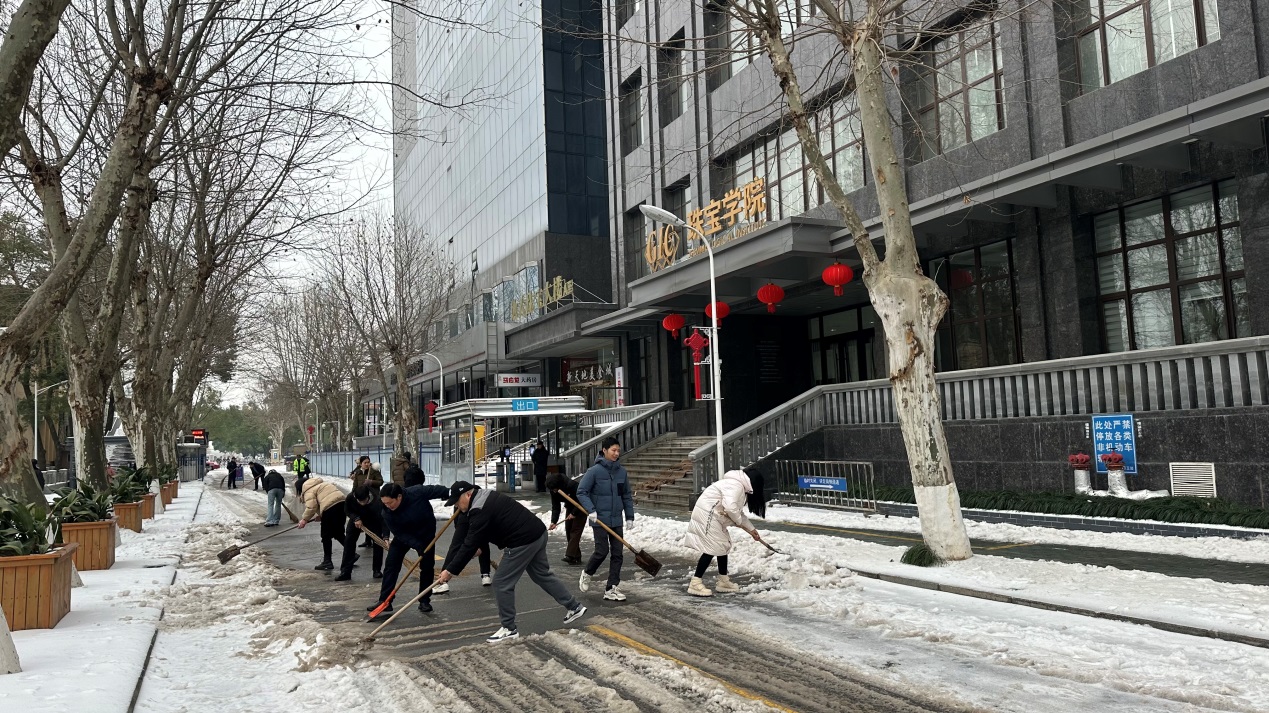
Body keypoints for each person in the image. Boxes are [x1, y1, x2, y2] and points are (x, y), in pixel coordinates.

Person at [437, 481, 586, 643]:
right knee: (542, 575)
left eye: (457, 501)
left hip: (522, 541)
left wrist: (450, 571)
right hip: (537, 532)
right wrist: (472, 550)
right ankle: (574, 606)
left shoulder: (478, 509)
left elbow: (469, 543)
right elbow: (475, 534)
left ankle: (509, 628)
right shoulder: (483, 497)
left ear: (468, 494)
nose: (457, 506)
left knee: (502, 582)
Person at [370, 481, 451, 616]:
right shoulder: (386, 510)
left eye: (390, 503)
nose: (388, 506)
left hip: (426, 535)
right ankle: (385, 601)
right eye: (385, 503)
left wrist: (452, 493)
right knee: (391, 565)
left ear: (399, 497)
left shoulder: (416, 492)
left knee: (427, 567)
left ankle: (424, 600)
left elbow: (435, 490)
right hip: (403, 535)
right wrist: (417, 545)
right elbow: (399, 533)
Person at [683, 468, 767, 597]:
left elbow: (737, 512)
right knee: (712, 547)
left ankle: (723, 581)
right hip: (709, 515)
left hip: (715, 516)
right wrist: (738, 521)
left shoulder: (737, 485)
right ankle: (695, 583)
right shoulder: (736, 485)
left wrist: (751, 529)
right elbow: (730, 508)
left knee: (723, 546)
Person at [576, 436, 635, 602]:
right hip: (599, 519)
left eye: (618, 451)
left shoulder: (621, 472)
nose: (616, 453)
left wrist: (629, 516)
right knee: (602, 551)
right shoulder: (594, 471)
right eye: (613, 450)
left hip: (616, 519)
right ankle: (587, 573)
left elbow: (626, 495)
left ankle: (611, 588)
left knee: (618, 554)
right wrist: (591, 510)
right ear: (604, 450)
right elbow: (581, 492)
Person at [297, 476, 351, 571]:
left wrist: (304, 519)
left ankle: (327, 562)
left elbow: (311, 507)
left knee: (326, 536)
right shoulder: (322, 484)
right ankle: (352, 554)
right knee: (338, 532)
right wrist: (322, 515)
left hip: (330, 508)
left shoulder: (308, 490)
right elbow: (325, 500)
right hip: (343, 505)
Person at [337, 485, 385, 581]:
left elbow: (382, 518)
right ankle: (345, 572)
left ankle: (377, 570)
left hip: (373, 520)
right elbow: (347, 510)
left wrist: (385, 535)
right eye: (360, 501)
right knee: (349, 542)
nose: (362, 504)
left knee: (378, 543)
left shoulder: (377, 500)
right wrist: (356, 518)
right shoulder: (351, 497)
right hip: (356, 519)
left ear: (368, 496)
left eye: (364, 501)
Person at [546, 469, 585, 565]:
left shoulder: (571, 485)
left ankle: (570, 555)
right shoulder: (553, 490)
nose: (554, 491)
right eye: (552, 490)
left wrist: (574, 513)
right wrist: (554, 521)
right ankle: (576, 556)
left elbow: (582, 499)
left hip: (581, 507)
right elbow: (556, 507)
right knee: (568, 530)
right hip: (570, 506)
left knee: (575, 531)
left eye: (555, 489)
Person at [349, 456, 385, 548]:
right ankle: (367, 540)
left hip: (372, 499)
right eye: (365, 462)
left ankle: (375, 540)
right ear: (361, 464)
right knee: (364, 519)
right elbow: (355, 485)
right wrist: (353, 494)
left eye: (368, 462)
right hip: (362, 498)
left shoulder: (374, 471)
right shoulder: (358, 473)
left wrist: (371, 482)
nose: (367, 464)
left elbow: (380, 481)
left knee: (373, 520)